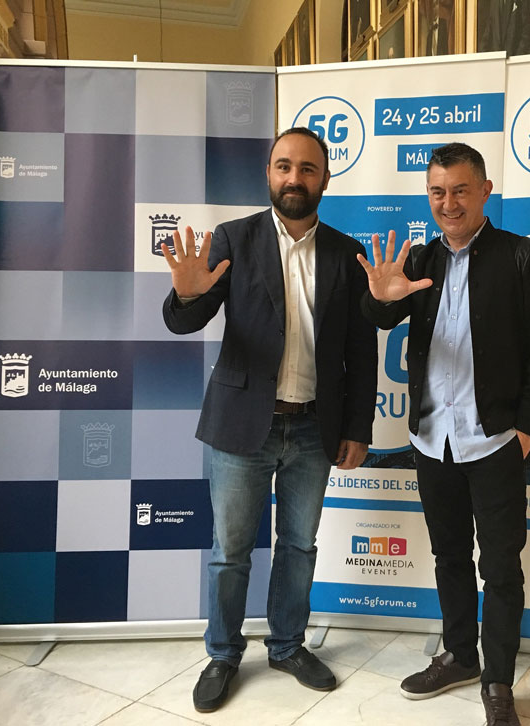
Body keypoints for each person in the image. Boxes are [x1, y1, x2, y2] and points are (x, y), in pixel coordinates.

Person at [161, 127, 377, 712]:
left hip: (313, 429)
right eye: (284, 166)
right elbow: (186, 319)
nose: (294, 178)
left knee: (299, 546)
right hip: (242, 426)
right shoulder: (235, 238)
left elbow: (361, 351)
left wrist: (357, 428)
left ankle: (286, 646)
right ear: (268, 174)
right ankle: (222, 654)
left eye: (307, 168)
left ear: (325, 178)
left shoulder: (346, 253)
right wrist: (186, 295)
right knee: (230, 550)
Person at [358, 143, 530, 726]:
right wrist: (378, 297)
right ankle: (459, 656)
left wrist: (526, 428)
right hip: (432, 440)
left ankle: (498, 681)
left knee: (500, 568)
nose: (448, 203)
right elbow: (382, 315)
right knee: (448, 555)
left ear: (485, 192)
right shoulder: (422, 259)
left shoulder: (521, 257)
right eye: (437, 192)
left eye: (460, 190)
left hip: (494, 440)